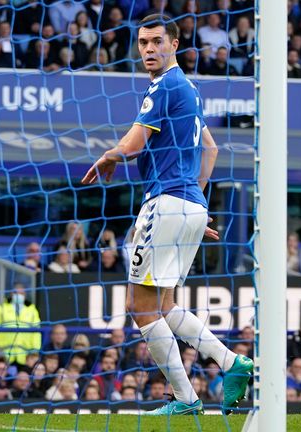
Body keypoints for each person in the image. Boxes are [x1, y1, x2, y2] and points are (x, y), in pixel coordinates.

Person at [81, 14, 252, 415]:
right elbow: (210, 149)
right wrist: (195, 203)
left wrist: (110, 156)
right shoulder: (190, 90)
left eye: (157, 41)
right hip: (189, 203)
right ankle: (231, 363)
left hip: (166, 201)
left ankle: (187, 398)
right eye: (143, 43)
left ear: (175, 44)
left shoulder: (164, 85)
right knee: (165, 304)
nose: (149, 50)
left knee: (139, 305)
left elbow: (136, 141)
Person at [0, 283, 42, 367]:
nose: (18, 296)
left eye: (21, 293)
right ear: (11, 294)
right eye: (16, 293)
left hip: (25, 355)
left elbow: (36, 331)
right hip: (4, 354)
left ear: (25, 295)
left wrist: (35, 350)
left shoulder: (32, 310)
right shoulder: (1, 308)